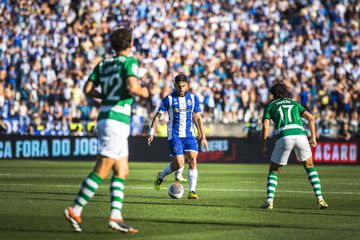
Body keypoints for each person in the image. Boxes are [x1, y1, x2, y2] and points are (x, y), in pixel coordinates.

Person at [64, 28, 149, 233]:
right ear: (130, 44)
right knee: (102, 169)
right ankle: (75, 209)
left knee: (122, 170)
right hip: (116, 121)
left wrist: (105, 98)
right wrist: (144, 91)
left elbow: (87, 90)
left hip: (106, 117)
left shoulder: (103, 63)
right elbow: (132, 87)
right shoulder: (130, 62)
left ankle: (115, 216)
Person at [260, 82, 328, 210]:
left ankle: (269, 202)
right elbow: (311, 118)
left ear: (273, 94)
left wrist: (263, 145)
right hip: (301, 135)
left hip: (284, 135)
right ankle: (320, 199)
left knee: (274, 170)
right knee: (309, 167)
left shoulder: (270, 106)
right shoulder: (294, 103)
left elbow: (265, 126)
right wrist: (313, 137)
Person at [148, 74, 208, 199]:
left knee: (192, 159)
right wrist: (151, 132)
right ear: (175, 85)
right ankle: (161, 176)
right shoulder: (169, 99)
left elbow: (197, 117)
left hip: (190, 135)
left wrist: (203, 136)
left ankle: (192, 191)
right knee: (179, 163)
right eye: (179, 86)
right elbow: (158, 116)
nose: (181, 89)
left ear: (188, 85)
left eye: (183, 86)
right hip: (174, 135)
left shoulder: (193, 98)